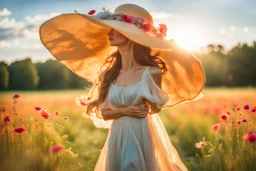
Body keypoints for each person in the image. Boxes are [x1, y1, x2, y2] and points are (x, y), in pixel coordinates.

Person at [40, 3, 205, 171]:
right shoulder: (107, 74)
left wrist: (148, 104)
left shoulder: (152, 72)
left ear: (131, 35)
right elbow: (104, 113)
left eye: (115, 28)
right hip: (117, 137)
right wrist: (126, 111)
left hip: (142, 133)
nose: (109, 32)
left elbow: (155, 109)